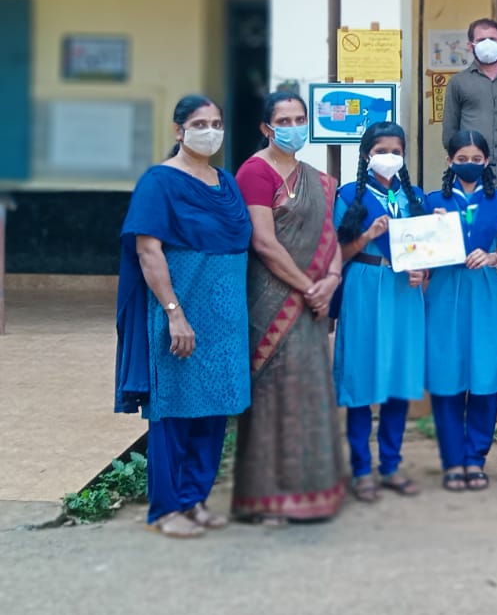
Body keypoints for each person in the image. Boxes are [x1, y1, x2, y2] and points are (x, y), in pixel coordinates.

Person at [115, 95, 252, 538]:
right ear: (179, 131)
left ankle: (195, 499)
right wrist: (175, 314)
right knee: (174, 412)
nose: (210, 132)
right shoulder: (159, 182)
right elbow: (147, 251)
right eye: (199, 124)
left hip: (226, 323)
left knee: (214, 412)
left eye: (216, 123)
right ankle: (166, 509)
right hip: (183, 315)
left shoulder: (225, 182)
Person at [231, 92, 346, 524]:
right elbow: (263, 241)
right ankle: (268, 499)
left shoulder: (317, 179)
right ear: (267, 128)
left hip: (313, 301)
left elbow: (330, 236)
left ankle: (314, 490)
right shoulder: (255, 172)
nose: (293, 127)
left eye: (300, 119)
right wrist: (309, 287)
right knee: (273, 395)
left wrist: (331, 280)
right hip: (273, 300)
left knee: (309, 392)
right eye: (284, 120)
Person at [333, 122, 429, 503]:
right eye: (381, 151)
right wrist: (367, 236)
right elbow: (336, 255)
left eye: (396, 151)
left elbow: (426, 250)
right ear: (366, 155)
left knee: (398, 378)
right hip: (365, 285)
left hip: (404, 291)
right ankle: (361, 469)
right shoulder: (348, 196)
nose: (389, 157)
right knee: (360, 378)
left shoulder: (414, 197)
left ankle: (390, 465)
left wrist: (423, 272)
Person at [424, 131, 497, 492]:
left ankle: (476, 458)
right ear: (449, 161)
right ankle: (453, 460)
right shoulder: (432, 200)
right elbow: (417, 252)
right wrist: (431, 231)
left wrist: (493, 257)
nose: (470, 164)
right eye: (462, 158)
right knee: (446, 378)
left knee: (485, 378)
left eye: (477, 159)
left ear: (486, 161)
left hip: (484, 292)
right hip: (444, 291)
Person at [441, 18, 497, 191]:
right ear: (470, 45)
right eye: (481, 40)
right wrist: (463, 158)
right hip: (471, 169)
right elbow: (450, 131)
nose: (487, 44)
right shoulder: (458, 82)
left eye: (492, 39)